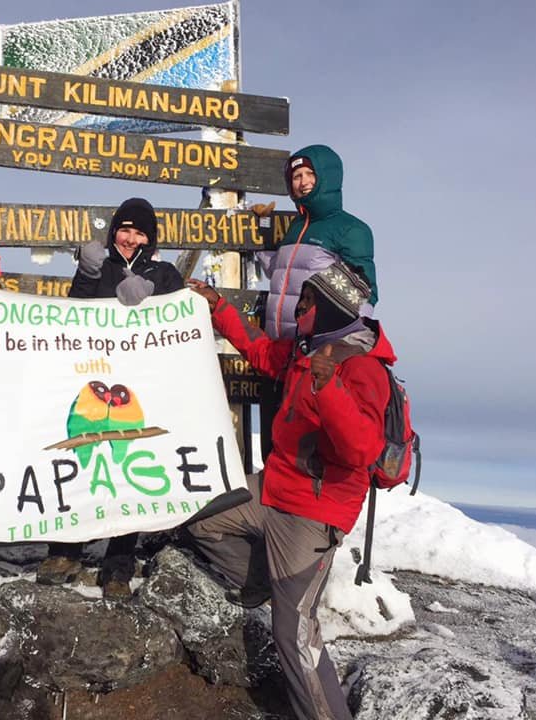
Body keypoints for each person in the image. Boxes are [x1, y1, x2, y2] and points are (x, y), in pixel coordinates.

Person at [186, 261, 394, 720]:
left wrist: (327, 387)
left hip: (314, 511)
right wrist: (220, 307)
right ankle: (259, 580)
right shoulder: (306, 350)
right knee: (202, 516)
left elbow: (360, 450)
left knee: (293, 632)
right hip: (274, 486)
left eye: (308, 303)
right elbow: (260, 351)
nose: (299, 308)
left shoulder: (363, 368)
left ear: (328, 311)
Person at [36, 197, 184, 599]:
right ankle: (64, 551)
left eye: (140, 233)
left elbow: (181, 323)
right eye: (126, 229)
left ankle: (117, 565)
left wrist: (156, 297)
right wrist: (87, 273)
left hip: (137, 389)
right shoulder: (99, 265)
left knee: (126, 470)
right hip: (91, 380)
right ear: (114, 230)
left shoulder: (166, 273)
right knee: (81, 461)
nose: (131, 239)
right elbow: (76, 314)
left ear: (151, 240)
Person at [255, 144, 378, 461]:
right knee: (274, 447)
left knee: (308, 453)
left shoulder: (350, 230)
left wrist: (340, 352)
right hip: (280, 354)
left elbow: (364, 295)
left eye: (311, 174)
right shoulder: (296, 228)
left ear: (328, 178)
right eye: (296, 175)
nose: (303, 181)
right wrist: (261, 228)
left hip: (316, 358)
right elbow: (283, 272)